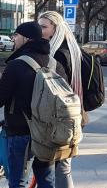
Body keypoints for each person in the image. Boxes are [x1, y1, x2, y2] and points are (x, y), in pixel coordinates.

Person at [0, 21, 68, 188]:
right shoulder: (54, 64)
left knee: (18, 182)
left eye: (16, 35)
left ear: (26, 38)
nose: (13, 39)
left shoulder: (16, 65)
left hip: (20, 132)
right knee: (46, 180)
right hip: (48, 133)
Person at [38, 11, 85, 188]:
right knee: (63, 166)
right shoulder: (72, 49)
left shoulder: (57, 54)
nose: (40, 30)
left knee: (59, 167)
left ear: (55, 29)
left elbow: (54, 89)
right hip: (74, 113)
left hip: (61, 117)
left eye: (44, 26)